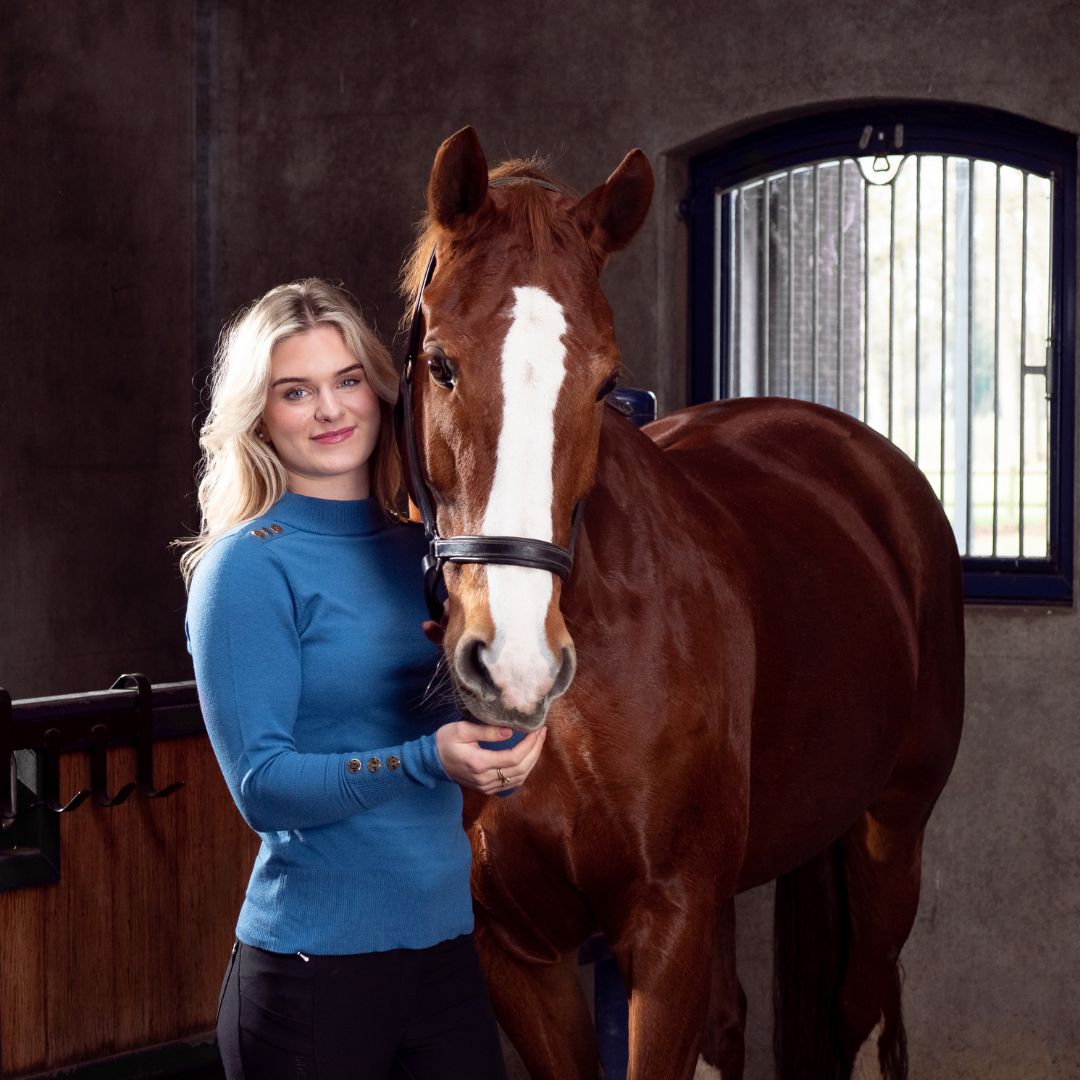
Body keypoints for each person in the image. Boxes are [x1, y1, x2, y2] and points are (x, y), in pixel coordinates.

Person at [179, 278, 547, 1079]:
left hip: (446, 955)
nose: (330, 409)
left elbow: (468, 733)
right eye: (295, 391)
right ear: (260, 417)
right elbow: (263, 788)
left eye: (347, 380)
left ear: (382, 393)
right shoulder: (247, 568)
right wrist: (428, 760)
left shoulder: (427, 556)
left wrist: (514, 739)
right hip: (314, 976)